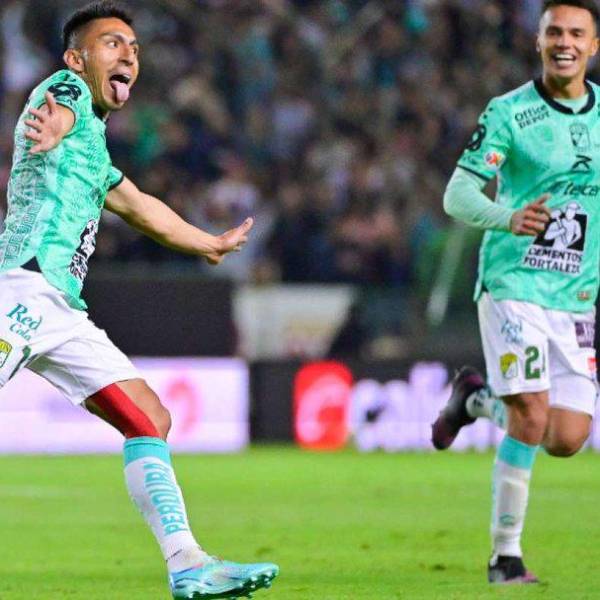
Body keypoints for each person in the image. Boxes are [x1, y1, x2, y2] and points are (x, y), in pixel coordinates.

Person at [0, 2, 278, 599]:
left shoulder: (95, 150)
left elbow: (140, 206)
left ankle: (187, 564)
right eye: (112, 43)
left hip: (61, 310)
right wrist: (55, 126)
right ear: (77, 58)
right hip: (21, 288)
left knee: (150, 417)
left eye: (133, 46)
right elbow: (59, 109)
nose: (128, 52)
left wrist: (209, 243)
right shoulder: (66, 91)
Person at [431, 0, 600, 585]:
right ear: (538, 41)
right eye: (554, 32)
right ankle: (505, 558)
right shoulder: (509, 112)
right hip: (513, 282)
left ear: (593, 46)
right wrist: (508, 217)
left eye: (576, 33)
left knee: (568, 437)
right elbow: (457, 194)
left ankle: (474, 400)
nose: (564, 42)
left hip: (575, 296)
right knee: (530, 413)